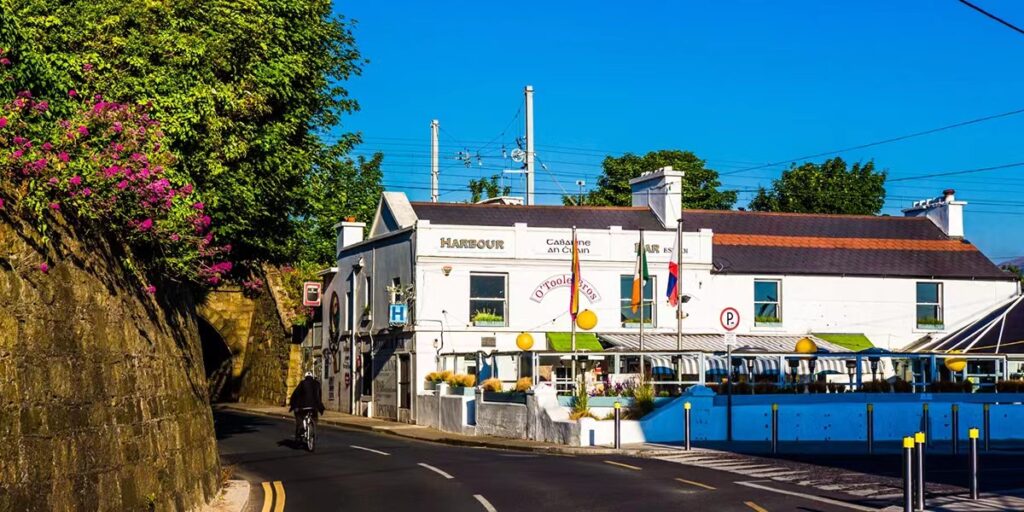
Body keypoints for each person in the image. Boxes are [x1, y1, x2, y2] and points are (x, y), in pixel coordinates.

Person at [289, 371, 325, 440]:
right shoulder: (317, 384)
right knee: (314, 417)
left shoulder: (302, 383)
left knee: (299, 415)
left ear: (305, 377)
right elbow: (319, 396)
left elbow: (295, 394)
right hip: (314, 406)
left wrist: (293, 404)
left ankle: (301, 428)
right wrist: (319, 406)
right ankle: (313, 429)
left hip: (303, 406)